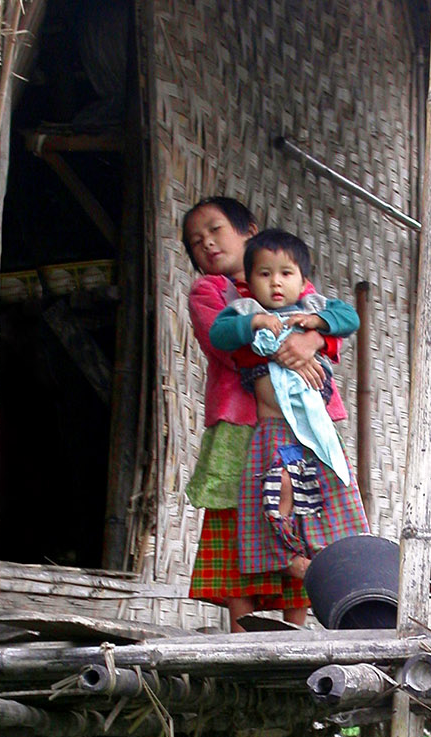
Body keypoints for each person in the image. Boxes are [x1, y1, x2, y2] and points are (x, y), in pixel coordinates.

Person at [181, 197, 339, 629]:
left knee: (300, 509)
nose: (208, 244)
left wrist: (314, 340)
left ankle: (296, 624)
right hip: (241, 424)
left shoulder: (297, 288)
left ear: (249, 230)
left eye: (216, 230)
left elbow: (331, 322)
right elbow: (222, 344)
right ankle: (240, 628)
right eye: (197, 242)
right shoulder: (210, 292)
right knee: (237, 510)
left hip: (302, 423)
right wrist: (293, 347)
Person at [210, 229, 369, 582]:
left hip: (316, 430)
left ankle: (331, 557)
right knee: (276, 489)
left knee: (327, 491)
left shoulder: (314, 309)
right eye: (264, 274)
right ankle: (287, 557)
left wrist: (318, 325)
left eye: (286, 273)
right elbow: (218, 334)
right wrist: (254, 322)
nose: (275, 283)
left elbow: (350, 318)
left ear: (304, 280)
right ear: (249, 281)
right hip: (274, 430)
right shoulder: (244, 310)